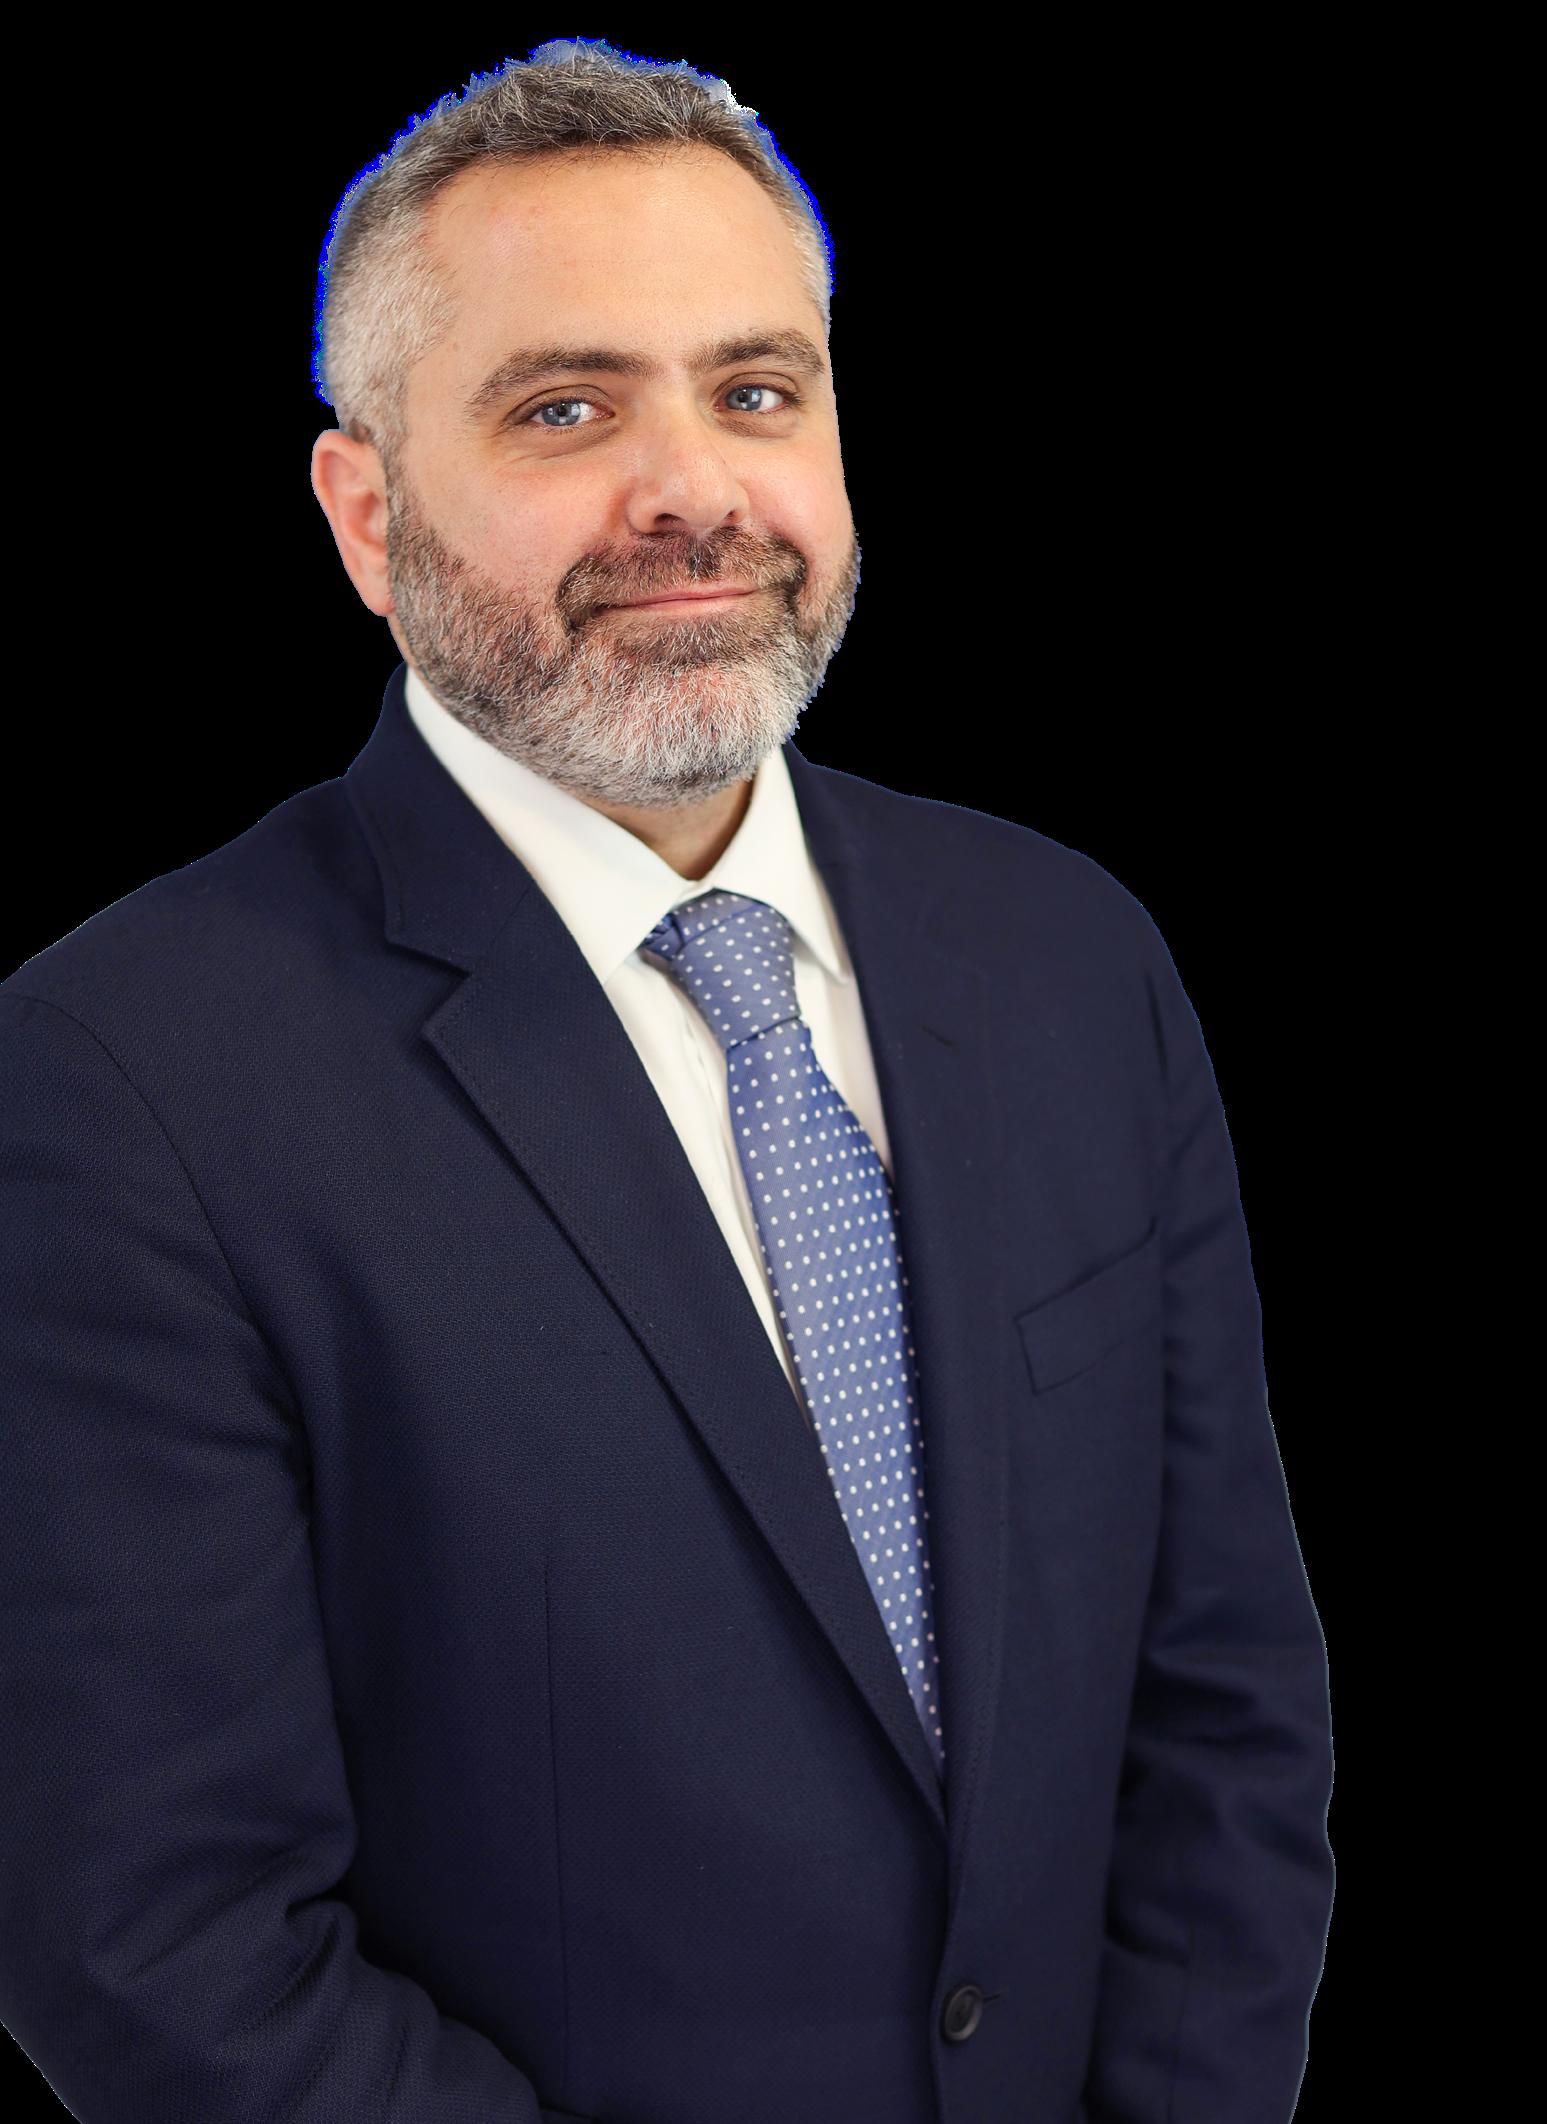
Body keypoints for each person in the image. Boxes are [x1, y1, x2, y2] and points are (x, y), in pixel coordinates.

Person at [0, 37, 1334, 2124]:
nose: (693, 489)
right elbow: (161, 1942)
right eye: (566, 407)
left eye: (757, 390)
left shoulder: (1073, 956)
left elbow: (1227, 1698)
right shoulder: (122, 1080)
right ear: (367, 514)